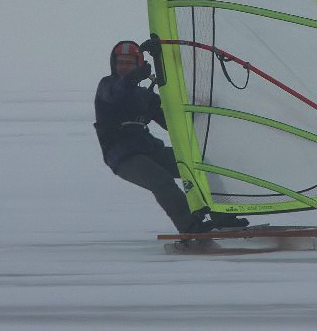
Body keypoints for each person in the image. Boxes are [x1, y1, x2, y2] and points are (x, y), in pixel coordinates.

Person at [94, 40, 248, 233]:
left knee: (199, 165)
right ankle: (190, 225)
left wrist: (200, 110)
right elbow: (119, 93)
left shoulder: (145, 96)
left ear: (138, 64)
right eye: (121, 63)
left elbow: (172, 123)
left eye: (129, 63)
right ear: (114, 64)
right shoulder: (107, 86)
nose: (124, 67)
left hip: (149, 149)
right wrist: (133, 77)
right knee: (161, 179)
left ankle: (223, 216)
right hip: (122, 156)